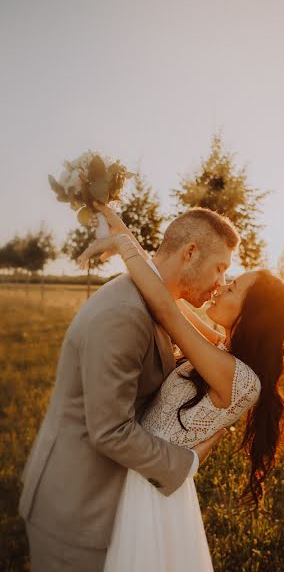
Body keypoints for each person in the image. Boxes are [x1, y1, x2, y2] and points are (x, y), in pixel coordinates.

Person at [77, 202, 284, 572]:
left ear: (254, 315)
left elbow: (167, 310)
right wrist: (118, 224)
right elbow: (167, 296)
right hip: (145, 467)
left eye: (231, 287)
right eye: (224, 277)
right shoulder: (220, 350)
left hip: (148, 486)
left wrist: (122, 244)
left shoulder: (237, 377)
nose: (220, 287)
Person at [19, 206, 240, 572]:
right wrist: (188, 462)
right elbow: (110, 431)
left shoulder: (157, 303)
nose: (221, 280)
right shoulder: (124, 313)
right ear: (190, 253)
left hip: (111, 502)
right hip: (76, 511)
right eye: (220, 267)